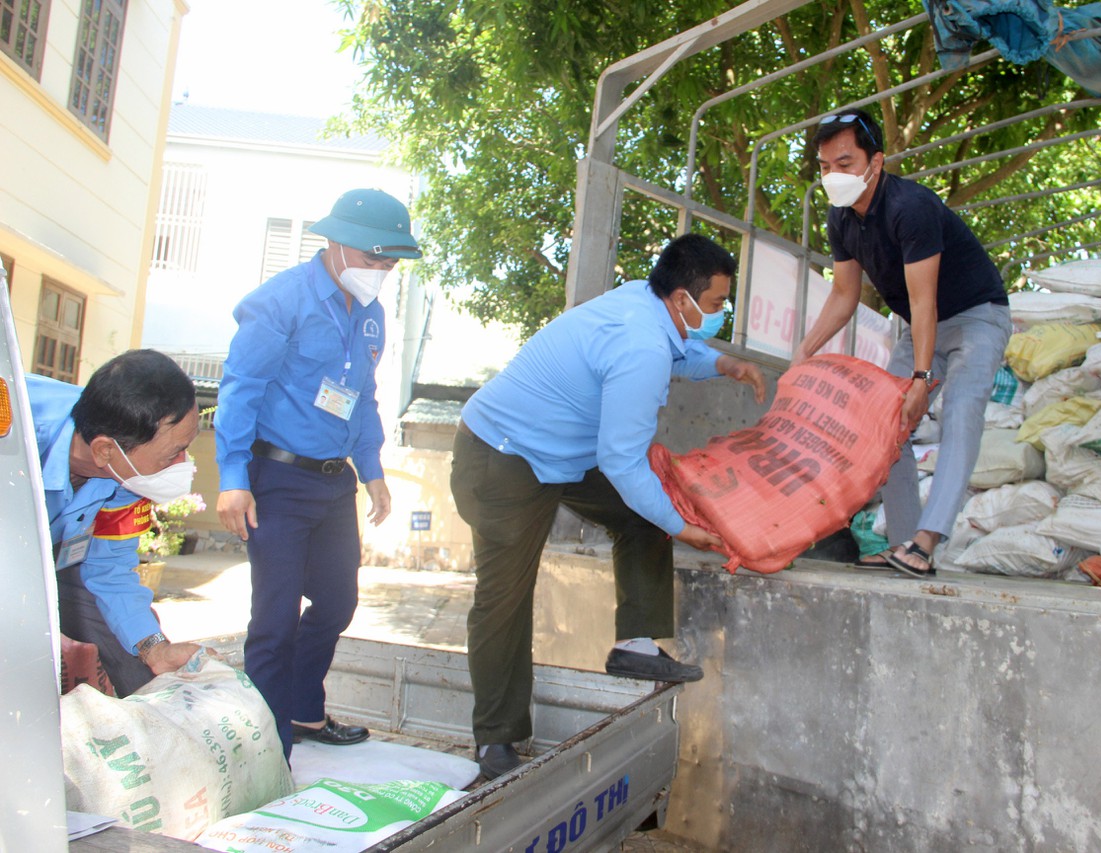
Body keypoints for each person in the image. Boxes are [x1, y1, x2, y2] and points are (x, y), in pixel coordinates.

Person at [452, 233, 766, 781]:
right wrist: (681, 527)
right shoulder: (639, 344)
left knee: (643, 514)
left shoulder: (645, 304)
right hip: (503, 456)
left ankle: (635, 643)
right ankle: (495, 741)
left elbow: (682, 349)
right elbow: (623, 464)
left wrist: (723, 364)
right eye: (716, 304)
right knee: (505, 596)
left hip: (565, 453)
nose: (720, 313)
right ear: (681, 299)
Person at [215, 187, 420, 758]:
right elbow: (240, 390)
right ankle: (265, 750)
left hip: (334, 484)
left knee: (338, 602)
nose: (380, 273)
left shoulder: (372, 315)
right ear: (334, 243)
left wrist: (372, 468)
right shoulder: (280, 302)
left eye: (389, 264)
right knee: (274, 620)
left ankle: (303, 710)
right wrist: (233, 476)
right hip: (276, 481)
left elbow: (363, 398)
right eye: (371, 259)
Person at [794, 108, 1011, 577]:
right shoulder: (840, 220)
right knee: (884, 426)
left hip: (976, 316)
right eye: (825, 166)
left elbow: (924, 298)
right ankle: (902, 544)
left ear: (877, 161)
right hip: (921, 325)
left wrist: (920, 378)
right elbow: (844, 294)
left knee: (960, 413)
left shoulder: (910, 208)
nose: (833, 176)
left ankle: (927, 541)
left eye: (845, 163)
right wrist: (803, 353)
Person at [29, 349, 204, 696]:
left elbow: (108, 569)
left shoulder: (125, 470)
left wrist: (154, 648)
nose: (182, 464)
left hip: (48, 559)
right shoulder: (17, 439)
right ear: (105, 451)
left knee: (140, 672)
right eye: (173, 454)